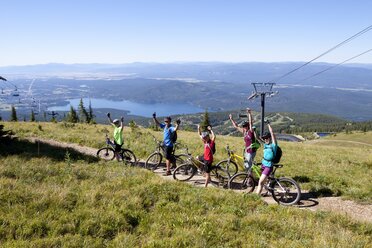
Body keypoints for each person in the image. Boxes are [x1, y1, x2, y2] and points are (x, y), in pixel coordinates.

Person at [255, 122, 277, 195]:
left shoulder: (273, 145)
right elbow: (257, 138)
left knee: (260, 182)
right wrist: (254, 130)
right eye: (264, 138)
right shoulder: (264, 145)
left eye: (267, 138)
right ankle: (268, 190)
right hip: (263, 164)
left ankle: (255, 198)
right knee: (265, 180)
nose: (265, 139)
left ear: (270, 138)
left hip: (268, 166)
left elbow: (272, 133)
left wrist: (268, 124)